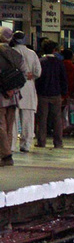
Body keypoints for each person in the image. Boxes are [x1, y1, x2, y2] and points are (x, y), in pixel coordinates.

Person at [0, 27, 28, 167]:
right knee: (10, 126)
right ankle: (7, 152)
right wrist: (14, 89)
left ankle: (6, 155)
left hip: (1, 95)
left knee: (1, 126)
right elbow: (24, 74)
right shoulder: (16, 55)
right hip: (14, 96)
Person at [10, 31, 41, 153]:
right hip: (28, 87)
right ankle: (26, 144)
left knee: (12, 119)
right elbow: (38, 72)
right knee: (28, 119)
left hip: (13, 88)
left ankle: (11, 144)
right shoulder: (32, 54)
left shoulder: (10, 52)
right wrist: (30, 75)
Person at [35, 39, 68, 149]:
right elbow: (64, 79)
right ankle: (58, 142)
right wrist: (64, 93)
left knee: (42, 119)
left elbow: (37, 78)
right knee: (57, 118)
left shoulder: (41, 62)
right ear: (54, 50)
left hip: (43, 94)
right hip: (56, 94)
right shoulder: (59, 63)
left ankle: (41, 141)